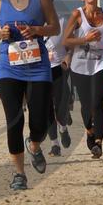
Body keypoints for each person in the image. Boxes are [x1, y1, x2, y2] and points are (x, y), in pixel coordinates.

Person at [0, 0, 59, 191]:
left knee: (40, 121)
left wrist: (37, 30)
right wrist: (1, 34)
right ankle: (19, 174)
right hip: (9, 68)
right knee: (14, 121)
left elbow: (55, 27)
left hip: (38, 67)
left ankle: (35, 145)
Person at [63, 0, 103, 159]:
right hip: (80, 65)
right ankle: (89, 131)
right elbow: (66, 40)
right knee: (86, 105)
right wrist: (85, 39)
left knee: (98, 103)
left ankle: (98, 143)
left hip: (101, 63)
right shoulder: (77, 14)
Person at [45, 15, 72, 156]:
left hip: (59, 68)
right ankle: (55, 144)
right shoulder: (31, 24)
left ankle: (63, 127)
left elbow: (71, 44)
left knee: (60, 106)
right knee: (47, 108)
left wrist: (69, 56)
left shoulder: (61, 22)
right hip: (41, 71)